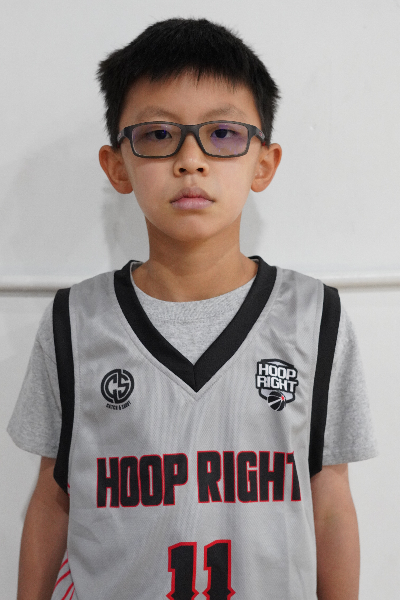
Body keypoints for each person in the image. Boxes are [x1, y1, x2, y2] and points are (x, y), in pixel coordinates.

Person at [8, 17, 377, 600]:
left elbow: (330, 502)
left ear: (264, 163)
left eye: (223, 134)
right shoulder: (73, 322)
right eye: (158, 134)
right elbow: (54, 497)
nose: (190, 160)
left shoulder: (315, 318)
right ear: (117, 165)